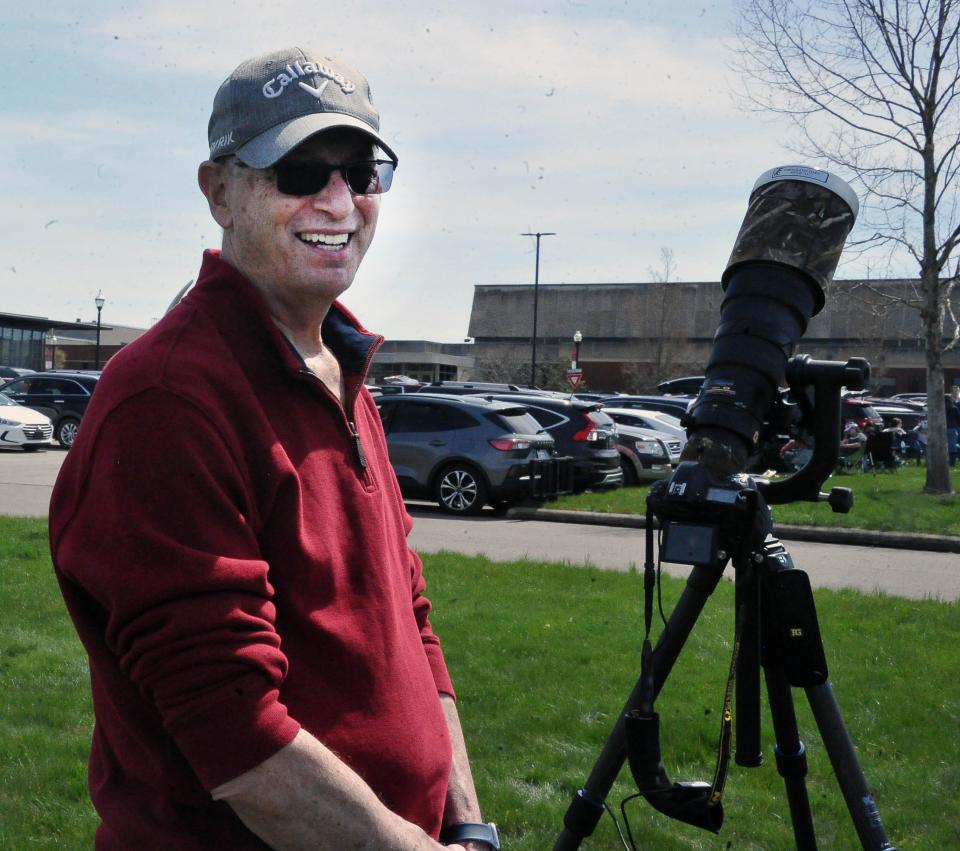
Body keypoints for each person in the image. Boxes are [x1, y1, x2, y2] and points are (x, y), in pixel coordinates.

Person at [48, 48, 496, 851]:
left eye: (362, 172)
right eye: (299, 171)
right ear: (220, 192)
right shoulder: (167, 399)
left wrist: (468, 821)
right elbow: (234, 729)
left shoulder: (341, 369)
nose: (340, 201)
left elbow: (414, 625)